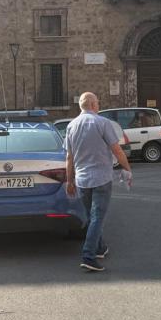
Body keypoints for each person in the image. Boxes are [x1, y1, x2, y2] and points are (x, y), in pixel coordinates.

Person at [64, 92, 132, 272]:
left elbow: (69, 158)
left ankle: (100, 248)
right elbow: (117, 150)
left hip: (82, 180)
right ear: (93, 104)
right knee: (97, 218)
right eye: (98, 103)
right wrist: (127, 168)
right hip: (101, 178)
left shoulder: (71, 126)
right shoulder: (102, 123)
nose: (99, 105)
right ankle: (88, 255)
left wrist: (69, 181)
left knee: (91, 216)